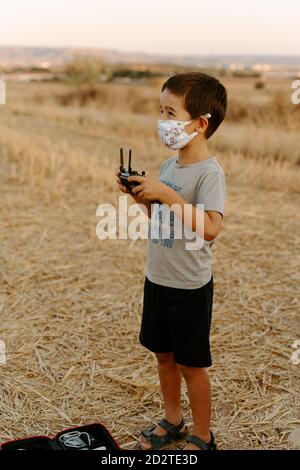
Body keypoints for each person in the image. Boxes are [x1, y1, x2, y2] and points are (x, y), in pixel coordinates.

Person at [115, 72, 227, 451]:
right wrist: (142, 197)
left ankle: (202, 434)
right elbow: (160, 219)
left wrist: (168, 195)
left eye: (171, 113)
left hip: (189, 286)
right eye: (160, 111)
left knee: (190, 364)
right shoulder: (167, 168)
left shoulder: (209, 174)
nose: (163, 121)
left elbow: (210, 228)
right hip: (158, 278)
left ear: (199, 123)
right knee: (164, 357)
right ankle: (173, 419)